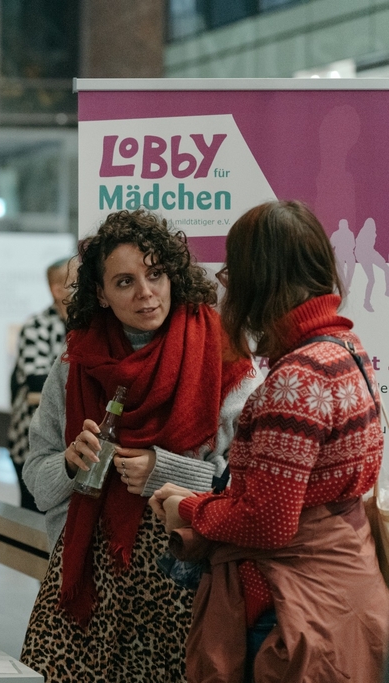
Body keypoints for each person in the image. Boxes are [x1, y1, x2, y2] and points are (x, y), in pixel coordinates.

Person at [151, 200, 389, 682]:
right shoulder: (347, 349)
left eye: (230, 272)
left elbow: (268, 524)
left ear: (255, 280)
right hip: (343, 590)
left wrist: (190, 509)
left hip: (295, 606)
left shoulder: (298, 377)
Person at [19, 209, 258, 682]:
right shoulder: (76, 364)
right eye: (125, 282)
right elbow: (37, 477)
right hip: (87, 581)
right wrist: (69, 464)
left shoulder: (221, 352)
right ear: (102, 296)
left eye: (155, 274)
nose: (146, 293)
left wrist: (163, 470)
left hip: (183, 578)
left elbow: (246, 484)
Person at [7, 256, 76, 510]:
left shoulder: (87, 326)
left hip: (69, 446)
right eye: (77, 283)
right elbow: (38, 381)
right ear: (58, 290)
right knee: (34, 515)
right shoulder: (37, 326)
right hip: (30, 445)